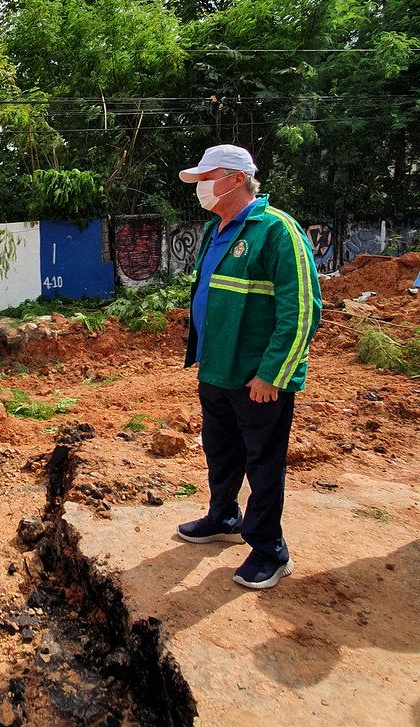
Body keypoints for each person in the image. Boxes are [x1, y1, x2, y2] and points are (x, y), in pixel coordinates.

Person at [177, 144, 321, 589]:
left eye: (207, 177)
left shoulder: (277, 231)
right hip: (216, 369)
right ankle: (223, 515)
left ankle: (269, 549)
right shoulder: (215, 229)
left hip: (257, 379)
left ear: (237, 179)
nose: (201, 187)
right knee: (221, 450)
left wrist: (272, 375)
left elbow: (301, 311)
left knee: (263, 462)